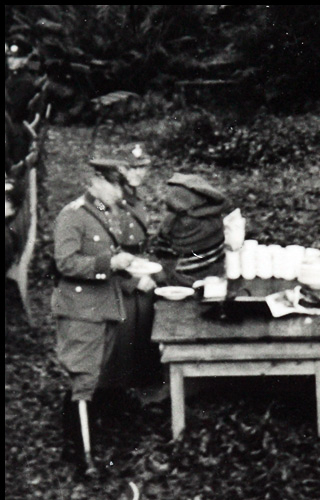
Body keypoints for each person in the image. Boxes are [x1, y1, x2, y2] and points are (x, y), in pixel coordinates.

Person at [52, 144, 159, 472]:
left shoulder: (105, 212)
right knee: (84, 379)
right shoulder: (73, 215)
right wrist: (109, 262)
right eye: (115, 183)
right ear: (96, 181)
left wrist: (120, 263)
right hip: (82, 308)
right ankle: (81, 457)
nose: (120, 191)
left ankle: (82, 438)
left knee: (94, 374)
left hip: (103, 304)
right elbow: (66, 263)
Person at [153, 172, 228, 286]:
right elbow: (164, 255)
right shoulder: (170, 223)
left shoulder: (212, 223)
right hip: (192, 283)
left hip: (209, 281)